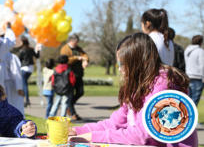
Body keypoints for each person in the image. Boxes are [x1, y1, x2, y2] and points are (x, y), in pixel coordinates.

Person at [68, 33, 198, 146]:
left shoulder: (162, 87)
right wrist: (78, 131)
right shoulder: (138, 85)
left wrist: (90, 137)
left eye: (123, 64)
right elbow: (115, 123)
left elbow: (142, 136)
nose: (119, 69)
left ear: (139, 63)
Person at [60, 34, 88, 120]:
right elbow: (65, 60)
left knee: (80, 92)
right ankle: (73, 113)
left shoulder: (78, 49)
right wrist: (77, 58)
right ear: (71, 41)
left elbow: (85, 55)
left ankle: (70, 105)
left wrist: (85, 60)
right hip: (70, 75)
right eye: (75, 42)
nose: (76, 44)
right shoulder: (65, 49)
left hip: (79, 74)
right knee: (71, 95)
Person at [18, 36, 41, 107]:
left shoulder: (21, 50)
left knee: (24, 84)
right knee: (24, 84)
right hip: (31, 68)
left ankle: (27, 100)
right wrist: (38, 50)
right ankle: (25, 99)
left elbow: (18, 60)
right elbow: (37, 56)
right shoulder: (31, 49)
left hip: (24, 68)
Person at [184, 35, 204, 106]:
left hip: (188, 76)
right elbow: (202, 65)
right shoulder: (200, 51)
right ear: (201, 42)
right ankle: (192, 116)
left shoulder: (187, 50)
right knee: (194, 102)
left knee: (188, 100)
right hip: (197, 77)